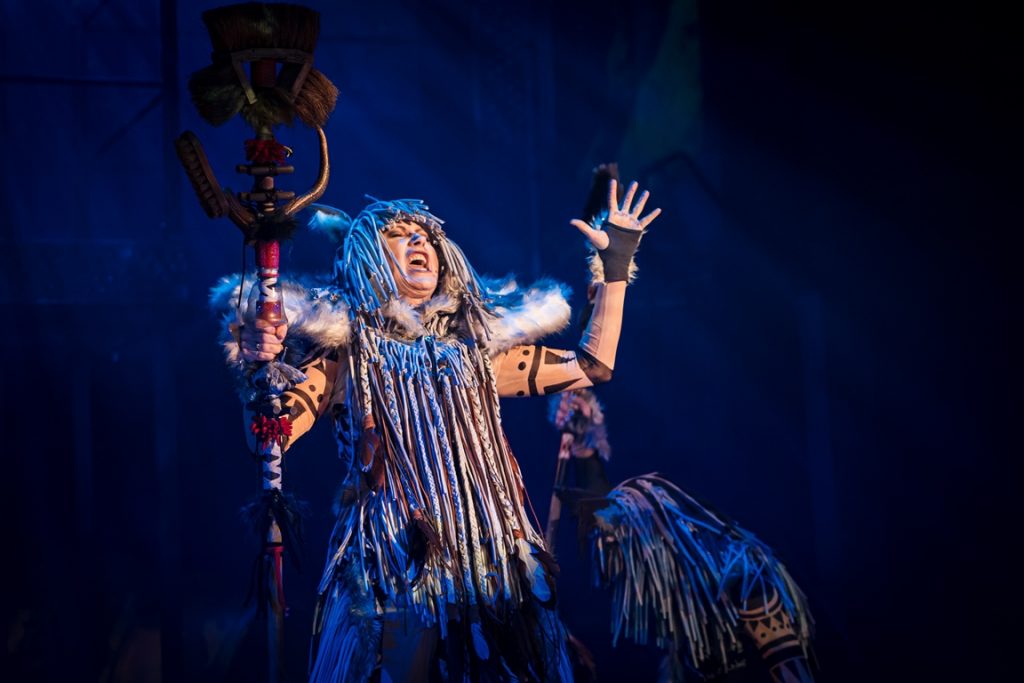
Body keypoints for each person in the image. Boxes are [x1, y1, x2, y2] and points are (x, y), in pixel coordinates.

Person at [213, 180, 660, 681]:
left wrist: (615, 268)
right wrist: (258, 368)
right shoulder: (348, 356)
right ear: (366, 258)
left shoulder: (477, 352)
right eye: (398, 234)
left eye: (425, 235)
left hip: (491, 565)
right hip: (396, 564)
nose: (418, 240)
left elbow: (593, 364)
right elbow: (268, 439)